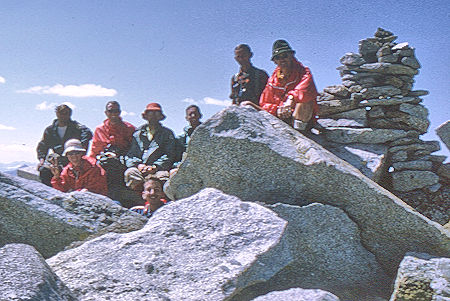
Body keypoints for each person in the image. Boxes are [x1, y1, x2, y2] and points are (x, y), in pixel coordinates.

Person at [258, 40, 319, 133]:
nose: (282, 59)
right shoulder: (272, 80)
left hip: (300, 118)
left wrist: (291, 99)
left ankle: (300, 135)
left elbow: (305, 90)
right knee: (247, 104)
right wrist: (277, 109)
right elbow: (264, 103)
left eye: (285, 56)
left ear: (291, 56)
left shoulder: (304, 72)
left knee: (305, 103)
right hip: (280, 117)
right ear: (274, 61)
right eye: (278, 57)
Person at [89, 101, 136, 200]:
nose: (113, 114)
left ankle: (115, 198)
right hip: (103, 159)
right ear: (106, 113)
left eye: (116, 111)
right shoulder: (99, 130)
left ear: (120, 112)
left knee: (113, 166)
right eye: (111, 111)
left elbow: (134, 149)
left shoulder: (129, 128)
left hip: (123, 160)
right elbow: (94, 151)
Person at [37, 104, 93, 186]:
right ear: (57, 114)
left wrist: (80, 149)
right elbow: (43, 145)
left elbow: (87, 134)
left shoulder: (77, 127)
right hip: (58, 159)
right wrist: (41, 159)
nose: (64, 115)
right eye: (61, 113)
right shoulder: (50, 130)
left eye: (66, 113)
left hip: (75, 159)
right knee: (44, 170)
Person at [124, 102, 177, 189]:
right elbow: (131, 154)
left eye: (156, 113)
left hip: (158, 169)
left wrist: (155, 166)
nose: (153, 116)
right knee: (130, 173)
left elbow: (170, 154)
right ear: (146, 116)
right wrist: (139, 165)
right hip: (140, 169)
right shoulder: (138, 134)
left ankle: (160, 199)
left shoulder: (167, 133)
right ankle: (141, 197)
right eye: (150, 113)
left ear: (160, 116)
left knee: (163, 177)